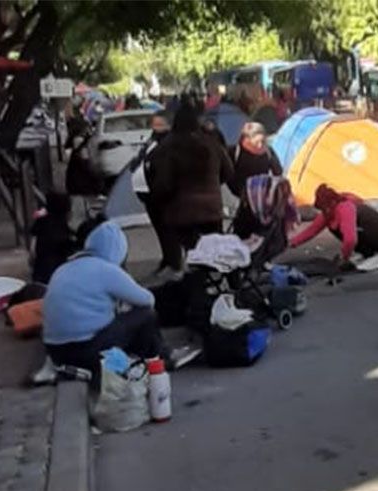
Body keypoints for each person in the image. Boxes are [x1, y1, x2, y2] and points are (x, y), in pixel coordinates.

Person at [42, 220, 197, 377]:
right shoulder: (105, 269)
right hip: (88, 351)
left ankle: (117, 363)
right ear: (117, 250)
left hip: (55, 354)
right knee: (145, 314)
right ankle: (161, 359)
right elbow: (147, 300)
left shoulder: (64, 268)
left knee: (117, 323)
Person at [149, 102, 234, 275]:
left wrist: (162, 200)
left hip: (181, 212)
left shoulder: (167, 147)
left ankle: (196, 286)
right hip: (211, 209)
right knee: (212, 252)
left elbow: (163, 183)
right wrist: (213, 186)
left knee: (192, 252)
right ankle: (212, 284)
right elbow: (229, 171)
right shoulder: (211, 143)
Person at [287, 184, 378, 268]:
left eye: (324, 208)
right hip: (369, 232)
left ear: (331, 203)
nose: (323, 211)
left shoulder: (345, 208)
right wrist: (290, 243)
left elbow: (350, 239)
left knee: (343, 230)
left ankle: (371, 255)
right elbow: (312, 230)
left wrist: (344, 257)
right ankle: (364, 253)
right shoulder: (328, 212)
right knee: (334, 227)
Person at [129, 111, 171, 275]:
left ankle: (172, 261)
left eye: (160, 124)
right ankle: (167, 258)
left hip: (158, 191)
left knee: (166, 229)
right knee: (159, 229)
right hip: (146, 191)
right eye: (155, 124)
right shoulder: (151, 141)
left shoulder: (167, 143)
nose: (157, 127)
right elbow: (140, 158)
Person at [228, 122, 283, 237]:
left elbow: (278, 171)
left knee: (260, 234)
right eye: (257, 142)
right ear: (247, 139)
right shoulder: (234, 152)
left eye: (262, 142)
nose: (259, 146)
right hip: (241, 199)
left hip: (260, 200)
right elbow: (227, 174)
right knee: (242, 232)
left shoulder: (268, 151)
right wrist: (239, 191)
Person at [29, 191, 79, 285]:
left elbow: (33, 243)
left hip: (41, 268)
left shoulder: (42, 221)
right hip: (57, 269)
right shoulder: (62, 227)